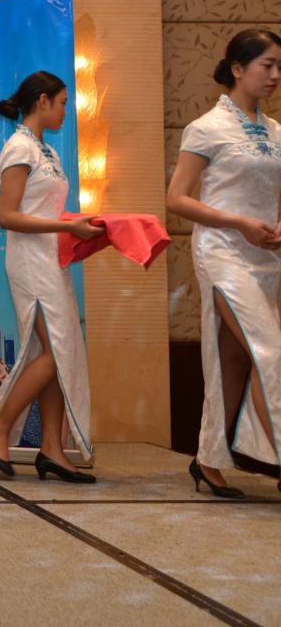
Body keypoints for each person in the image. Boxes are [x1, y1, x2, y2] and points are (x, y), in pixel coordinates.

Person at [0, 71, 103, 484]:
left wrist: (77, 225)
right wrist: (68, 228)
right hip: (30, 262)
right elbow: (7, 216)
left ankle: (51, 449)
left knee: (55, 351)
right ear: (43, 101)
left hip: (52, 260)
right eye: (63, 102)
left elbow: (43, 212)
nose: (66, 110)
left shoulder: (47, 151)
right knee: (57, 352)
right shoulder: (19, 148)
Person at [166, 28, 281, 498]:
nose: (275, 74)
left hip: (267, 257)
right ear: (237, 68)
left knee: (233, 359)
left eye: (279, 66)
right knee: (270, 353)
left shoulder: (277, 132)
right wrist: (238, 223)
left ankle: (209, 460)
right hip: (223, 253)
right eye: (266, 65)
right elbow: (175, 199)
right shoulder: (206, 128)